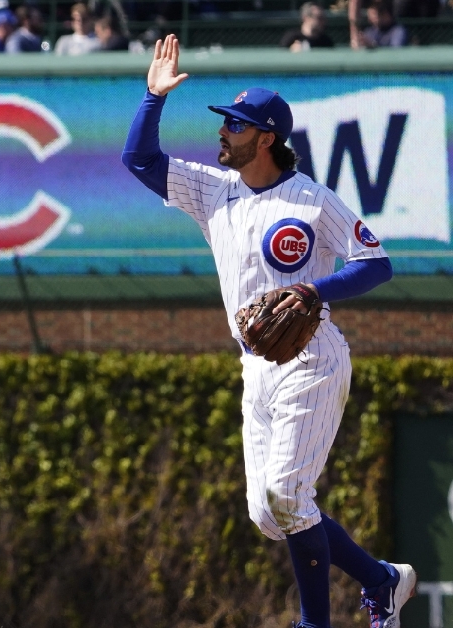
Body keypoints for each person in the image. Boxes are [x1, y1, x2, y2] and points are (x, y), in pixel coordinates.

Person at [121, 34, 416, 628]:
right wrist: (152, 99)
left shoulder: (310, 201)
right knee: (268, 513)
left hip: (311, 358)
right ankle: (382, 581)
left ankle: (316, 623)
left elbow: (376, 263)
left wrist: (315, 290)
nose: (224, 132)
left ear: (266, 138)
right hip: (255, 364)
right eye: (226, 122)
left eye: (236, 125)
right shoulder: (213, 189)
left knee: (287, 500)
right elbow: (140, 160)